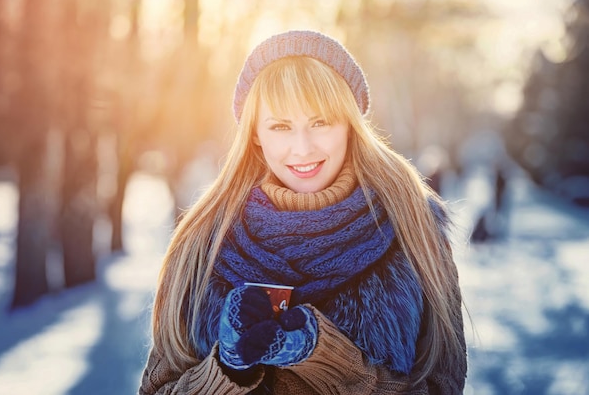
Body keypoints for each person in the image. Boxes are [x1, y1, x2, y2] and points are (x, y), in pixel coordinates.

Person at [138, 30, 467, 394]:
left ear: (349, 124)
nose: (302, 148)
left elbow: (442, 387)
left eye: (320, 122)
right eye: (280, 126)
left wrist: (326, 358)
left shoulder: (412, 223)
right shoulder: (203, 239)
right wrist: (225, 372)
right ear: (256, 134)